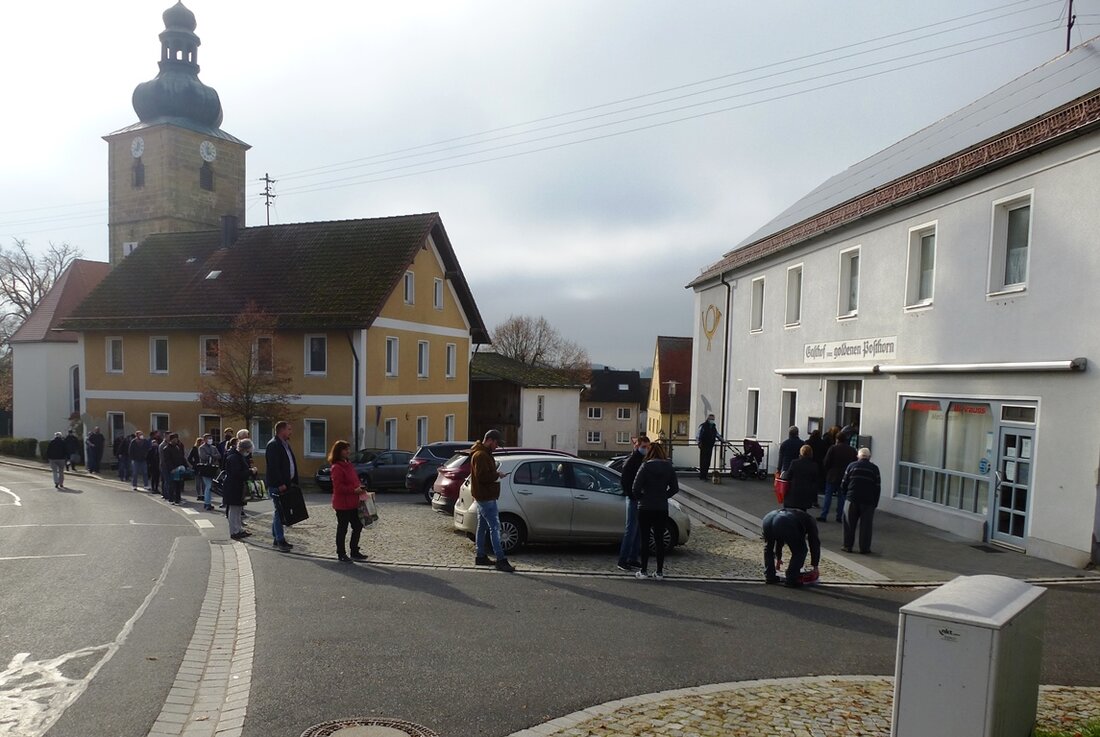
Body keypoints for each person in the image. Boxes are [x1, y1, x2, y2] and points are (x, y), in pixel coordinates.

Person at [631, 442, 679, 580]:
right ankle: (659, 572)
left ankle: (644, 570)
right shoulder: (668, 467)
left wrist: (642, 498)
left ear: (650, 452)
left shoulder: (645, 467)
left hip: (645, 507)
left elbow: (635, 488)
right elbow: (675, 488)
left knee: (645, 539)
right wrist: (664, 496)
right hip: (661, 507)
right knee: (659, 539)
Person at [470, 429, 515, 573]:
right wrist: (497, 474)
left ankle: (481, 556)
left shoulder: (482, 453)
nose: (496, 447)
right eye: (496, 443)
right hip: (486, 497)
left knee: (482, 527)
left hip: (483, 496)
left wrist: (495, 474)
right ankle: (501, 560)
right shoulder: (481, 455)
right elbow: (482, 477)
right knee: (495, 528)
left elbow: (482, 475)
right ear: (489, 440)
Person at [328, 440, 367, 562]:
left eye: (348, 449)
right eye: (345, 450)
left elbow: (354, 480)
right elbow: (338, 488)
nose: (348, 452)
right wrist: (354, 490)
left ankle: (354, 550)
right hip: (342, 504)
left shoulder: (348, 464)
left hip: (353, 502)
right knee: (342, 528)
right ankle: (341, 553)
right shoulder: (337, 467)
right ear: (339, 452)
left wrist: (360, 487)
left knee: (358, 525)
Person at [761, 507, 821, 587]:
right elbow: (814, 542)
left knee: (768, 548)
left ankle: (770, 576)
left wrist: (779, 558)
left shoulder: (797, 516)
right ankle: (792, 579)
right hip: (785, 521)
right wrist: (815, 566)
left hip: (768, 518)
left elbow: (779, 538)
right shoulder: (810, 521)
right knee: (800, 550)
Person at [616, 434, 650, 572]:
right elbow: (624, 481)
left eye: (648, 447)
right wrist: (632, 494)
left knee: (638, 531)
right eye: (644, 447)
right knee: (631, 530)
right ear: (638, 446)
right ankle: (623, 560)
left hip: (639, 498)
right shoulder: (633, 460)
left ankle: (633, 558)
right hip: (633, 498)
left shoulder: (642, 459)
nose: (646, 449)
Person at [841, 447, 881, 554]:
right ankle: (864, 548)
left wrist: (846, 495)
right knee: (866, 526)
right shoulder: (874, 469)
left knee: (849, 523)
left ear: (858, 456)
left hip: (852, 498)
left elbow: (844, 483)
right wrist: (875, 502)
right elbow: (877, 487)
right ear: (869, 457)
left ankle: (847, 546)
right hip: (868, 501)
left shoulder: (851, 466)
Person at [265, 420, 298, 551]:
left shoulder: (285, 445)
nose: (291, 432)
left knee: (279, 511)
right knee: (280, 512)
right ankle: (280, 540)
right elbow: (273, 467)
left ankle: (276, 537)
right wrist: (280, 483)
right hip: (278, 485)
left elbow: (289, 463)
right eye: (289, 429)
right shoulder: (273, 445)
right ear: (281, 430)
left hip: (287, 483)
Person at [820, 433, 857, 522]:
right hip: (845, 476)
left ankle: (824, 515)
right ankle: (839, 516)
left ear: (837, 439)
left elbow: (826, 462)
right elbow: (854, 463)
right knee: (842, 497)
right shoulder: (852, 450)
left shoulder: (833, 448)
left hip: (832, 475)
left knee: (828, 495)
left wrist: (827, 471)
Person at [223, 439, 252, 540]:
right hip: (233, 486)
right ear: (245, 448)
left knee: (238, 509)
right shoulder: (234, 457)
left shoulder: (237, 456)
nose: (249, 452)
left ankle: (238, 529)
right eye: (249, 449)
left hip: (237, 486)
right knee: (234, 510)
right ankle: (234, 531)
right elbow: (237, 474)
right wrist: (250, 471)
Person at [782, 445, 820, 511]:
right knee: (802, 513)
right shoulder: (814, 465)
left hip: (794, 492)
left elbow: (788, 476)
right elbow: (815, 481)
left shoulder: (794, 463)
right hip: (806, 494)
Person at [197, 434, 222, 511]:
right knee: (208, 486)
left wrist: (211, 456)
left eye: (211, 438)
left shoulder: (213, 447)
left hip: (213, 469)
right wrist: (212, 456)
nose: (210, 440)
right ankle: (207, 503)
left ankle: (208, 502)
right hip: (205, 469)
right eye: (208, 438)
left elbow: (219, 456)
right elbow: (203, 457)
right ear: (204, 440)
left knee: (211, 486)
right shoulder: (201, 448)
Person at [162, 433, 187, 505]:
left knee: (178, 484)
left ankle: (178, 499)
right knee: (172, 484)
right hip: (172, 469)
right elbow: (167, 460)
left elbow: (181, 457)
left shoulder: (177, 447)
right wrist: (171, 469)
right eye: (175, 439)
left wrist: (185, 465)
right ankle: (171, 499)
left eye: (177, 439)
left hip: (179, 468)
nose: (176, 440)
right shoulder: (166, 448)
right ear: (171, 440)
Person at [696, 413, 722, 481]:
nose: (712, 420)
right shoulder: (703, 426)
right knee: (703, 461)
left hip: (710, 446)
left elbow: (717, 434)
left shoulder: (713, 427)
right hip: (704, 445)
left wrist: (722, 440)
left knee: (707, 462)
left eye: (713, 419)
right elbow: (698, 435)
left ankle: (705, 475)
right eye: (711, 419)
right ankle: (702, 476)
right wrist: (699, 443)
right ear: (707, 419)